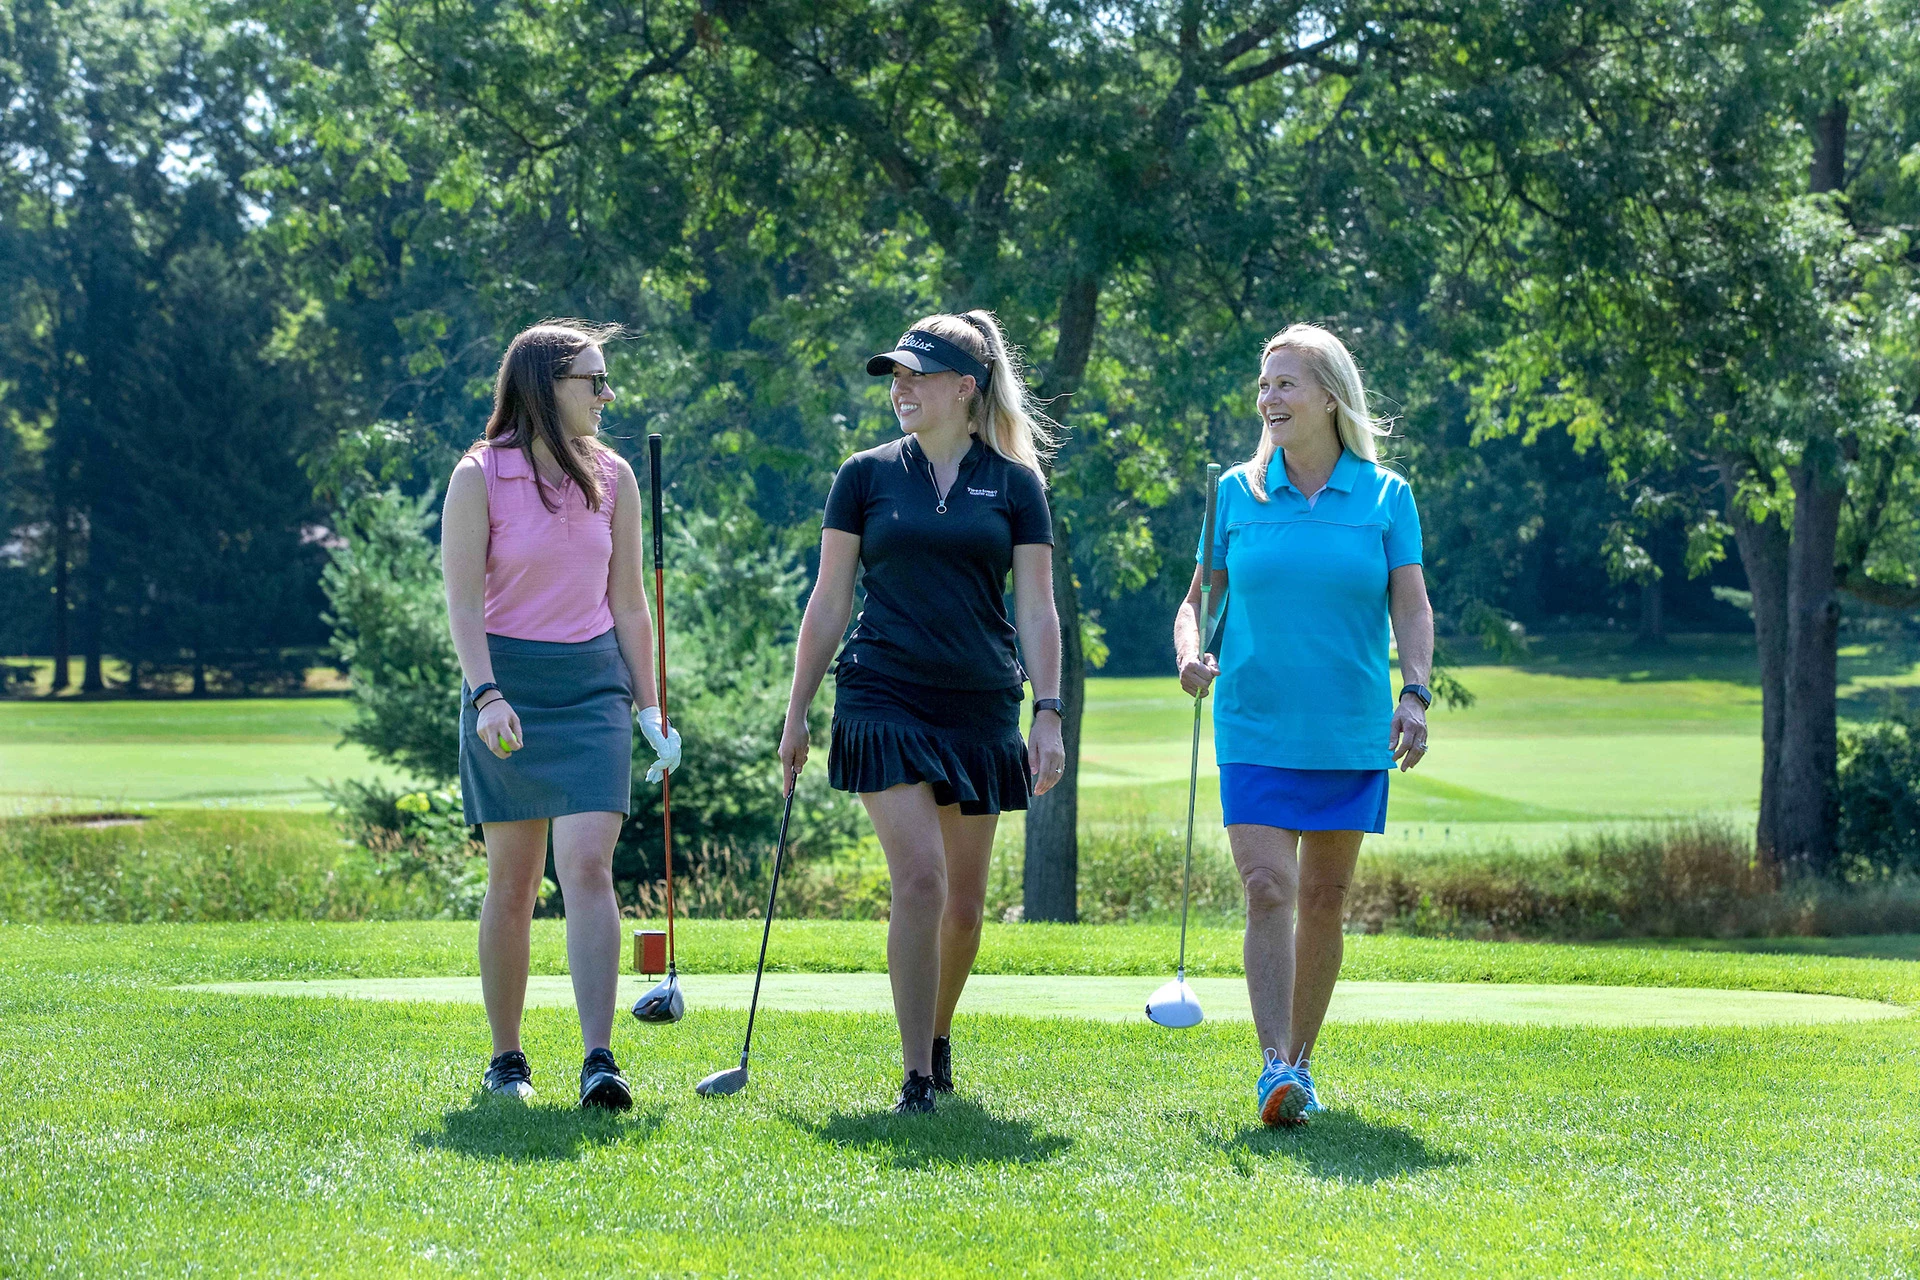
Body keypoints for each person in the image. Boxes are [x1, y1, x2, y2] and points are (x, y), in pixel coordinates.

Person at [779, 311, 1066, 1114]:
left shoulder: (1015, 486)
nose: (899, 388)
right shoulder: (864, 476)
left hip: (979, 701)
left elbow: (1038, 610)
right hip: (883, 692)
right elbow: (830, 598)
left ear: (964, 388)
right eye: (894, 376)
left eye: (916, 375)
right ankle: (913, 1078)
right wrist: (798, 708)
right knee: (922, 878)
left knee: (966, 908)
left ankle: (936, 1038)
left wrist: (1048, 710)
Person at [1173, 323, 1434, 1127]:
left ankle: (1301, 1066)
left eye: (1286, 383)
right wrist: (1190, 654)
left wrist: (1415, 693)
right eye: (1264, 384)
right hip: (1253, 722)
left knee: (1324, 897)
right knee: (1267, 888)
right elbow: (1197, 604)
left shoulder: (1387, 496)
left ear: (1330, 395)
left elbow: (1412, 607)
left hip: (1349, 729)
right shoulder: (1234, 494)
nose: (1269, 398)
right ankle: (1273, 1066)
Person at [442, 321, 682, 1110]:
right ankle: (507, 1060)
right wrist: (485, 694)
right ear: (546, 386)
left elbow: (628, 604)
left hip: (592, 690)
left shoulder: (613, 475)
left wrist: (648, 708)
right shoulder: (480, 475)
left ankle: (599, 1059)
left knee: (586, 865)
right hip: (506, 685)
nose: (607, 395)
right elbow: (464, 605)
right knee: (513, 882)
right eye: (593, 380)